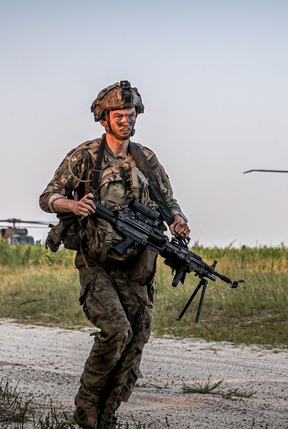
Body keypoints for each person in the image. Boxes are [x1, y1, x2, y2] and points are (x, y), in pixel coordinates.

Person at [40, 80, 190, 429]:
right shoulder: (86, 157)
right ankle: (88, 402)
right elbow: (48, 196)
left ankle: (108, 413)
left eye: (131, 113)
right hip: (97, 264)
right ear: (104, 118)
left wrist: (179, 221)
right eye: (119, 114)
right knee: (117, 330)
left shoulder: (146, 159)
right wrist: (72, 205)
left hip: (137, 265)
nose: (126, 120)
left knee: (138, 336)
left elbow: (169, 204)